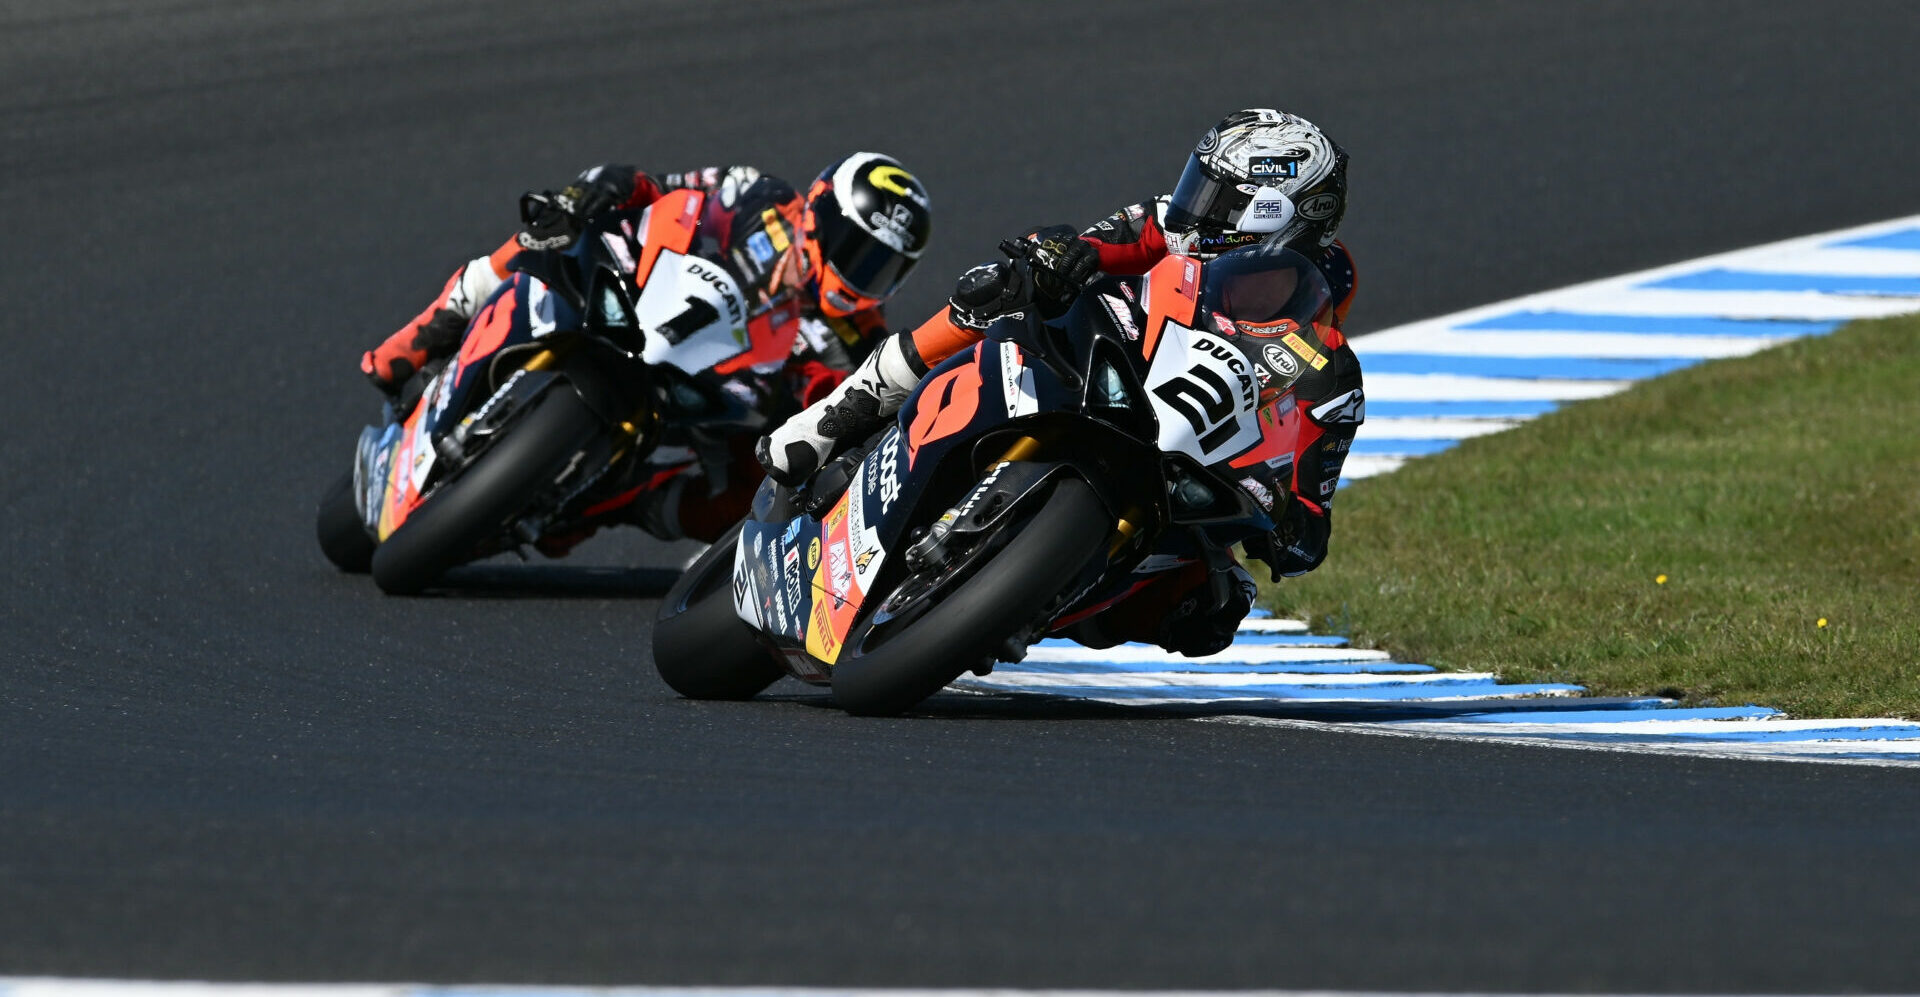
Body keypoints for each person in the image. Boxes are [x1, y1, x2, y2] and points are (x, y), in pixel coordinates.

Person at [757, 109, 1364, 655]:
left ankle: (1023, 602)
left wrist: (1287, 519)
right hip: (1107, 365)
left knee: (1212, 611)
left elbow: (1312, 512)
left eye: (1216, 196)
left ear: (1274, 216)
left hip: (1181, 466)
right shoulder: (1173, 226)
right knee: (996, 288)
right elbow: (1092, 244)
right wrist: (1056, 254)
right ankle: (842, 412)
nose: (1191, 205)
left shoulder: (1327, 356)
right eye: (1197, 185)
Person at [359, 153, 932, 543]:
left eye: (880, 265)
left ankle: (626, 505)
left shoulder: (861, 339)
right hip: (643, 297)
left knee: (749, 502)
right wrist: (598, 192)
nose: (862, 273)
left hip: (725, 396)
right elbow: (663, 188)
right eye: (857, 248)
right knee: (549, 234)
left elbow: (845, 409)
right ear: (822, 209)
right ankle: (417, 339)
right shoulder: (759, 193)